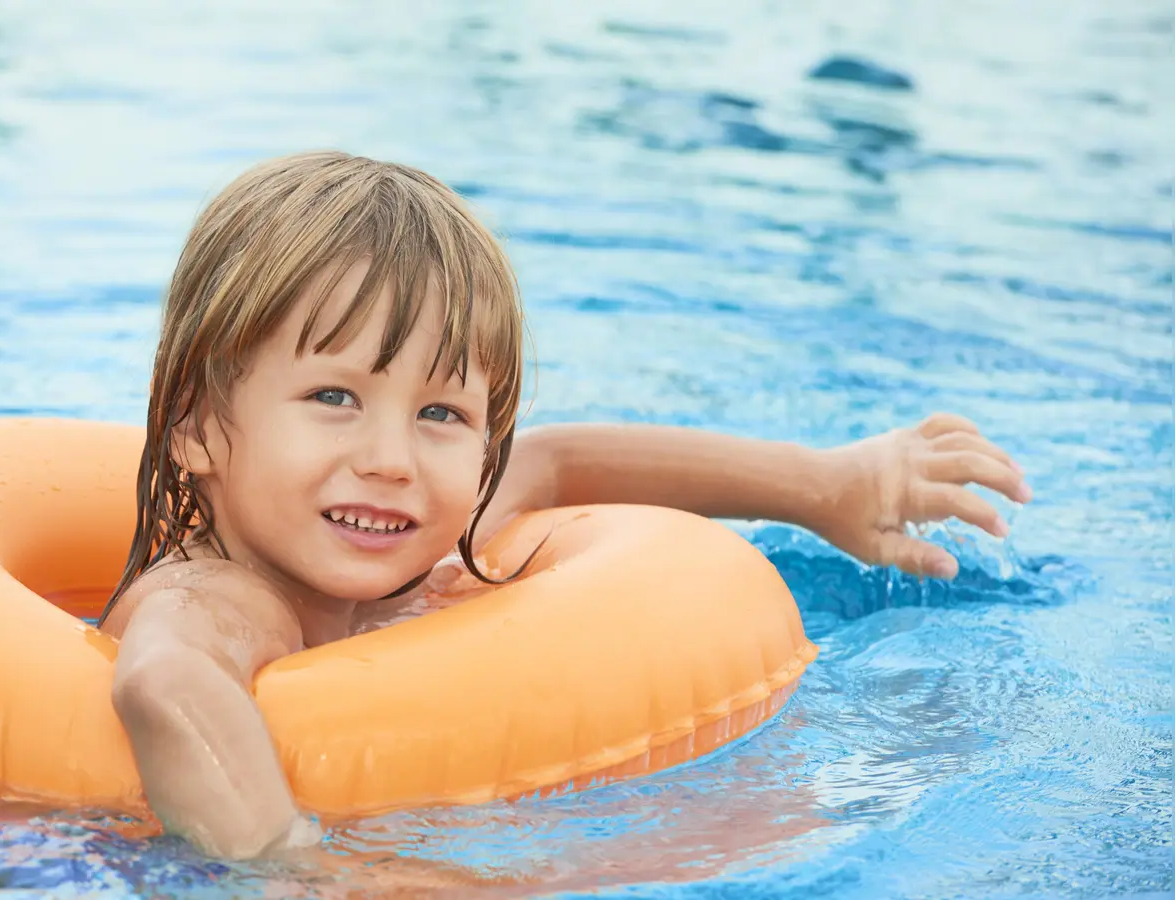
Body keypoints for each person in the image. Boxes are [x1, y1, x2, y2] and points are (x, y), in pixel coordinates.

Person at [96, 150, 1032, 860]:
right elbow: (167, 685)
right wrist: (300, 870)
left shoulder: (408, 549)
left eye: (440, 412)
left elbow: (551, 460)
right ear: (197, 428)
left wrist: (828, 487)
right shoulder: (222, 598)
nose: (391, 461)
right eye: (334, 397)